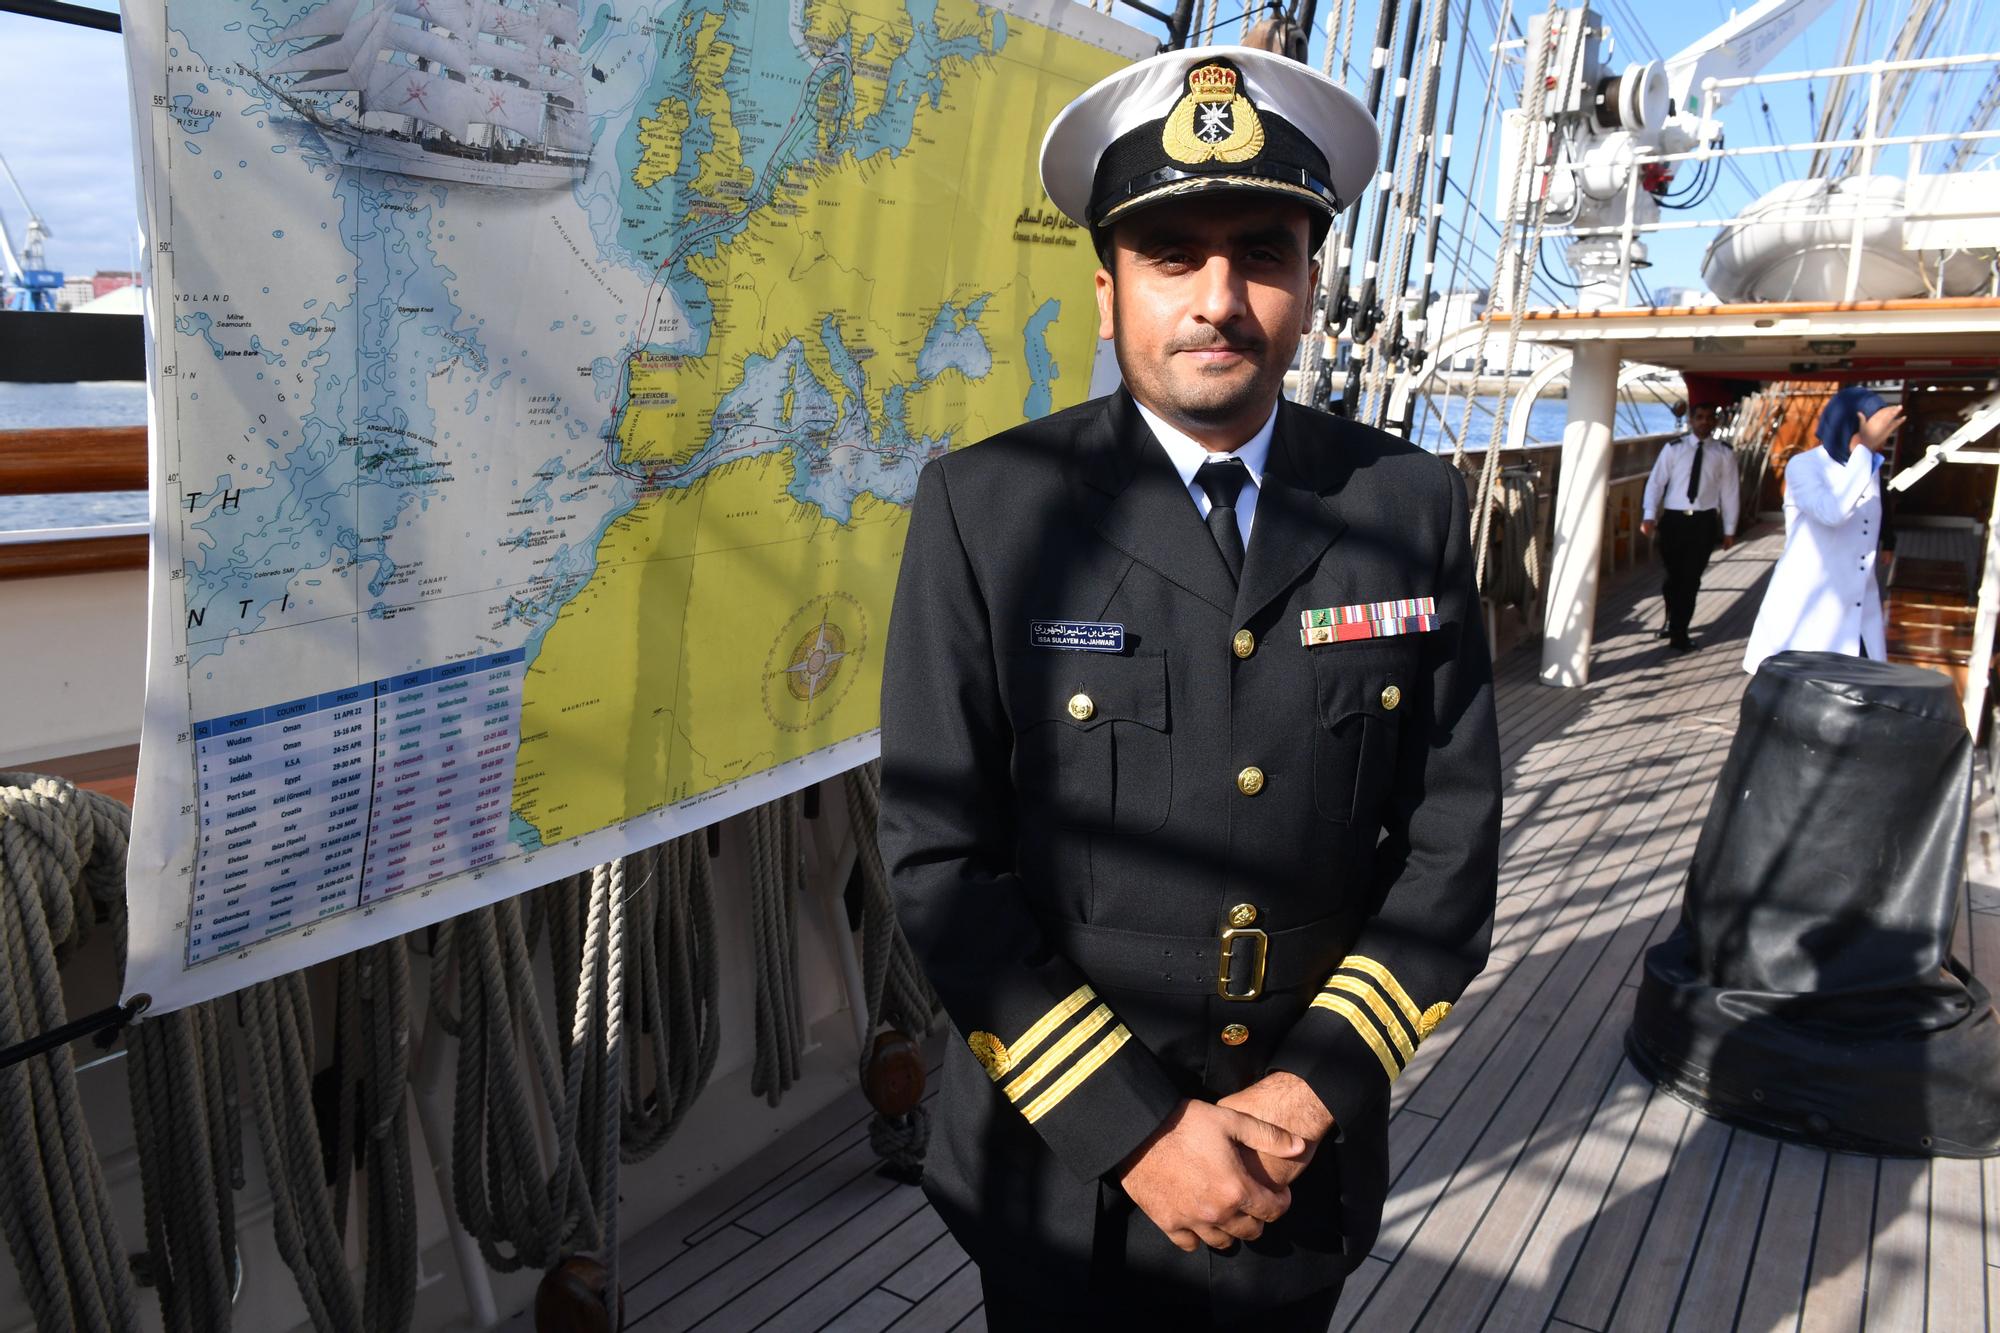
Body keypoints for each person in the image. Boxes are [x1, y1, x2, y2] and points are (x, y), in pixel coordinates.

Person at [878, 44, 1501, 1331]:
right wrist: (1139, 1133)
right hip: (1058, 1185)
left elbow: (1449, 845)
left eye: (1261, 253)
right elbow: (939, 862)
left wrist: (1308, 1090)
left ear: (1309, 288)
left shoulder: (1405, 507)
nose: (1218, 297)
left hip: (1295, 1174)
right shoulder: (987, 511)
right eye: (1171, 255)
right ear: (1106, 294)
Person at [1743, 386, 1905, 674]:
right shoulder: (1804, 466)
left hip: (1858, 613)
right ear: (1848, 424)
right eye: (1876, 431)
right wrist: (1866, 449)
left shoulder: (1868, 467)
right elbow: (1833, 512)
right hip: (1808, 615)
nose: (1882, 441)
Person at [1640, 401, 1741, 652]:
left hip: (1703, 522)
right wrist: (1649, 515)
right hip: (1674, 521)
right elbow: (1656, 482)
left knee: (1691, 579)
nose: (1704, 422)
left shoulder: (1724, 453)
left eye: (1709, 417)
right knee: (1672, 578)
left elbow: (1730, 492)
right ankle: (1671, 620)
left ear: (1715, 422)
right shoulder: (1674, 449)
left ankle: (1679, 633)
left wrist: (1729, 529)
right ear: (1691, 421)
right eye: (1699, 417)